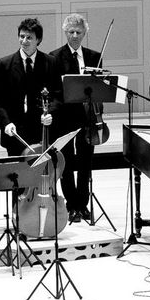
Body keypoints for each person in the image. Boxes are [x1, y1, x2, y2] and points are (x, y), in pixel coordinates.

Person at [50, 13, 102, 222]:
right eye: (71, 32)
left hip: (88, 118)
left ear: (84, 33)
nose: (74, 36)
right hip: (64, 117)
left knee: (85, 162)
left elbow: (100, 87)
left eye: (78, 32)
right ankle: (71, 205)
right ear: (65, 32)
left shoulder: (94, 56)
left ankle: (83, 203)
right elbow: (54, 89)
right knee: (67, 163)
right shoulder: (54, 57)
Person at [0, 16, 58, 157]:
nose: (24, 41)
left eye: (29, 37)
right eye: (21, 36)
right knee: (18, 176)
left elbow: (58, 95)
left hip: (41, 129)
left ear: (38, 40)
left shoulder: (50, 62)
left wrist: (50, 113)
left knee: (43, 175)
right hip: (15, 131)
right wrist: (6, 123)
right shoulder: (4, 65)